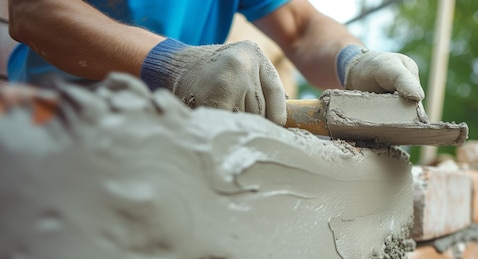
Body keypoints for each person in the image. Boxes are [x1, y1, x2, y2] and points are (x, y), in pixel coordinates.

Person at [7, 0, 424, 126]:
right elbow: (36, 11)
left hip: (176, 136)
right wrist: (175, 65)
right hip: (55, 128)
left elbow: (298, 27)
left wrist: (353, 60)